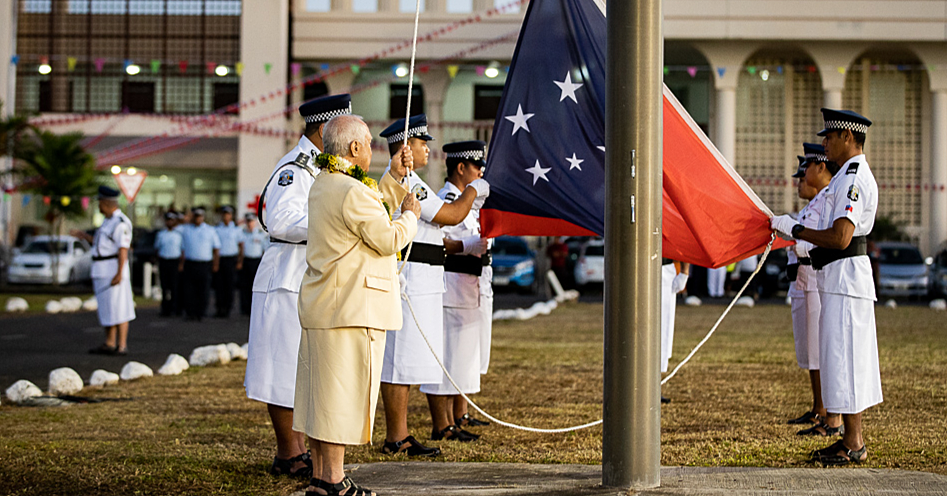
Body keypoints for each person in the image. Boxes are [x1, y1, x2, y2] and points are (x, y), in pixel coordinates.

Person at [295, 113, 420, 496]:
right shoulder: (350, 191)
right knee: (340, 400)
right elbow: (385, 237)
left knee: (321, 399)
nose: (370, 148)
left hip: (328, 306)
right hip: (351, 308)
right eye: (367, 143)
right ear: (353, 148)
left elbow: (367, 207)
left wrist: (394, 179)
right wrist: (410, 218)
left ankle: (323, 477)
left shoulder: (326, 183)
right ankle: (333, 480)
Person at [245, 93, 352, 479]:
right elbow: (282, 220)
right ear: (324, 129)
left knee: (300, 368)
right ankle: (289, 454)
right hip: (285, 278)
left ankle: (298, 450)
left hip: (304, 279)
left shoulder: (324, 167)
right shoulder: (296, 167)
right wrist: (335, 229)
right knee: (281, 368)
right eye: (340, 130)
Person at [771, 108, 881, 466]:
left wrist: (797, 231)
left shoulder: (852, 178)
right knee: (839, 359)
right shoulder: (845, 177)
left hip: (846, 278)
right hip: (838, 277)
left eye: (829, 137)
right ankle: (851, 439)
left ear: (847, 138)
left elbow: (841, 235)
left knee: (846, 359)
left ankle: (853, 442)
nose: (824, 144)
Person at [377, 116, 490, 455]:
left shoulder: (412, 181)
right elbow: (453, 215)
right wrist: (474, 190)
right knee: (399, 361)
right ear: (406, 148)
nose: (427, 148)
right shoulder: (410, 183)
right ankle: (397, 436)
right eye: (421, 142)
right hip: (411, 281)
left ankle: (401, 434)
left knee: (410, 360)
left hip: (424, 280)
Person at [422, 140, 493, 433]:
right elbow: (437, 241)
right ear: (461, 167)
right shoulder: (446, 200)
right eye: (477, 167)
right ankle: (443, 424)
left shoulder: (471, 203)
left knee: (464, 357)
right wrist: (468, 245)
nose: (481, 172)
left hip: (472, 285)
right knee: (446, 357)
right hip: (450, 285)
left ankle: (459, 415)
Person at [785, 143, 842, 437]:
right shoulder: (813, 205)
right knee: (809, 349)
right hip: (803, 278)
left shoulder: (828, 201)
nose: (802, 177)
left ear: (821, 167)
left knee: (820, 349)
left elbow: (813, 242)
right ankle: (819, 407)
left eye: (807, 168)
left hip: (817, 278)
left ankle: (826, 411)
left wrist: (792, 236)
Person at [75, 186, 136, 355]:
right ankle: (109, 342)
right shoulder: (107, 221)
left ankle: (121, 345)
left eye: (100, 203)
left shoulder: (120, 223)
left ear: (107, 203)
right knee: (107, 308)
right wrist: (85, 237)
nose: (99, 207)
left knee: (120, 308)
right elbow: (103, 244)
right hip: (101, 269)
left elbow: (123, 249)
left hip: (113, 269)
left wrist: (119, 273)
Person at [179, 207, 220, 321]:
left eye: (199, 216)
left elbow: (216, 249)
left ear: (203, 217)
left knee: (204, 289)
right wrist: (181, 264)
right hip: (190, 263)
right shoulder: (187, 230)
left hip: (204, 264)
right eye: (195, 216)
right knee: (189, 290)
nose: (198, 219)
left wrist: (215, 264)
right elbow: (182, 249)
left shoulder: (210, 230)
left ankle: (201, 312)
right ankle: (190, 313)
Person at [660, 258, 689, 403]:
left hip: (665, 270)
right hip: (639, 266)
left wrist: (685, 271)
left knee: (662, 329)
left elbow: (684, 241)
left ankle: (653, 389)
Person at [237, 213, 268, 316]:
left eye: (251, 221)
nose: (250, 223)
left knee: (255, 286)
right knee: (244, 286)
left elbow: (264, 250)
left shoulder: (260, 234)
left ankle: (254, 308)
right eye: (248, 221)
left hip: (256, 262)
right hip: (246, 261)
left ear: (255, 222)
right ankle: (244, 308)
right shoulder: (242, 233)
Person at [213, 205, 241, 318]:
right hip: (220, 259)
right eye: (224, 214)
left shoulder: (236, 229)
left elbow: (241, 246)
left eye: (228, 214)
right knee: (219, 286)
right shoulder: (217, 229)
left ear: (231, 216)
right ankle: (219, 308)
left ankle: (228, 308)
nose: (226, 216)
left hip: (231, 259)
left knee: (229, 285)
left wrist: (239, 261)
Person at [154, 211, 183, 317]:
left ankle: (175, 308)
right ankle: (165, 309)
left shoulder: (178, 235)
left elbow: (182, 250)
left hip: (175, 262)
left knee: (174, 287)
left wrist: (181, 264)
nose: (169, 222)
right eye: (168, 220)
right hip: (164, 261)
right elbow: (157, 249)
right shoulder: (161, 234)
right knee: (164, 287)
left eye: (172, 220)